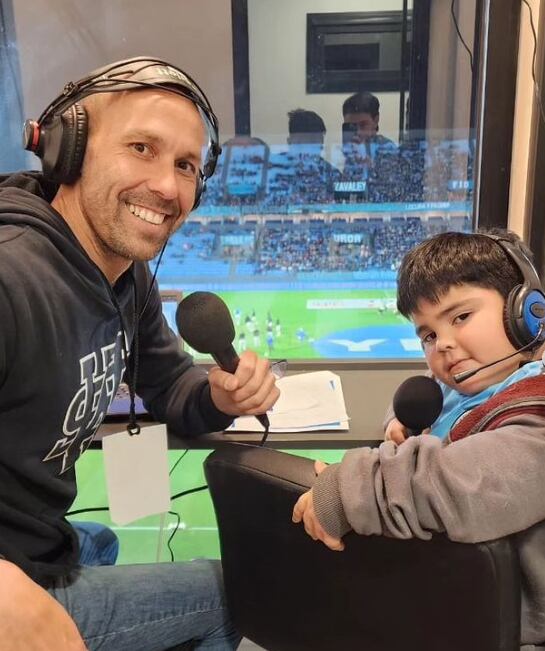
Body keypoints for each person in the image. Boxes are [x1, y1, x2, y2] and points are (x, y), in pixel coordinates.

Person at [0, 56, 280, 651]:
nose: (167, 187)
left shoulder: (128, 281)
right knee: (242, 591)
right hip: (11, 575)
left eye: (185, 166)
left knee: (99, 541)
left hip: (40, 542)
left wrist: (219, 395)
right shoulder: (12, 273)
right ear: (68, 151)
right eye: (142, 148)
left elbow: (174, 389)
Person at [293, 230, 545, 647]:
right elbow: (432, 396)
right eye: (427, 335)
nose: (443, 344)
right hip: (449, 602)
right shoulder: (466, 384)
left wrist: (349, 488)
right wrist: (404, 423)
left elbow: (462, 482)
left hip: (510, 633)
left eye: (461, 317)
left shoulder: (535, 408)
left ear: (527, 312)